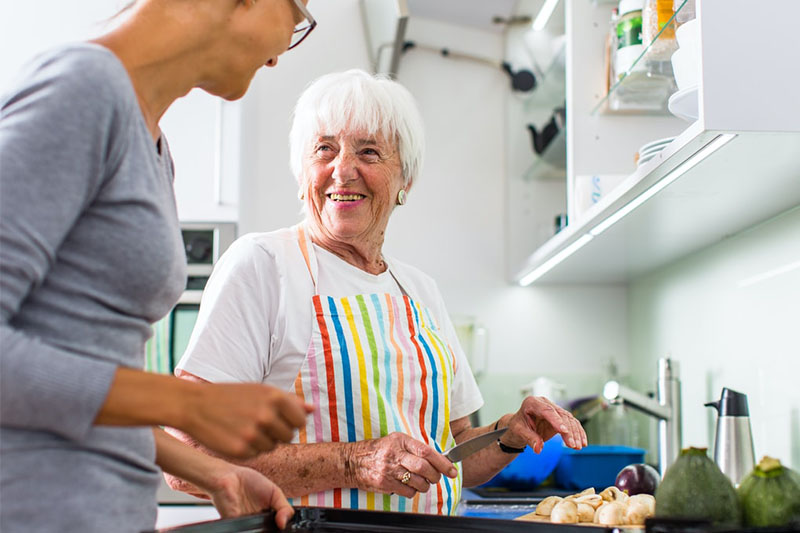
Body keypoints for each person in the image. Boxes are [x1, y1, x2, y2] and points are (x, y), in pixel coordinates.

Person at [168, 69, 588, 516]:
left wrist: (507, 435)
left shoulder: (419, 290)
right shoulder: (264, 265)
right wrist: (354, 463)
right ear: (302, 171)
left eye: (368, 151)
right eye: (324, 149)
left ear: (405, 180)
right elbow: (187, 455)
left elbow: (453, 452)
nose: (343, 170)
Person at [0, 0, 318, 531]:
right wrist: (187, 404)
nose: (281, 54)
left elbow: (79, 383)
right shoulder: (83, 90)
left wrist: (212, 472)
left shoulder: (153, 145)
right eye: (299, 13)